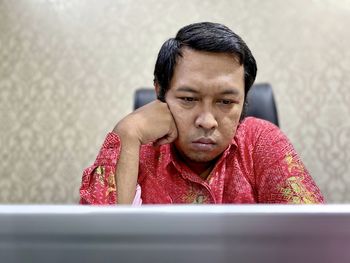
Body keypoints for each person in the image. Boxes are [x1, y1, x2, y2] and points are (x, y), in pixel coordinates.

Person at [79, 22, 324, 205]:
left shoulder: (260, 141)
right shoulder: (139, 149)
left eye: (226, 101)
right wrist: (128, 133)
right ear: (160, 92)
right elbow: (95, 247)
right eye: (188, 99)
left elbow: (317, 235)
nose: (207, 121)